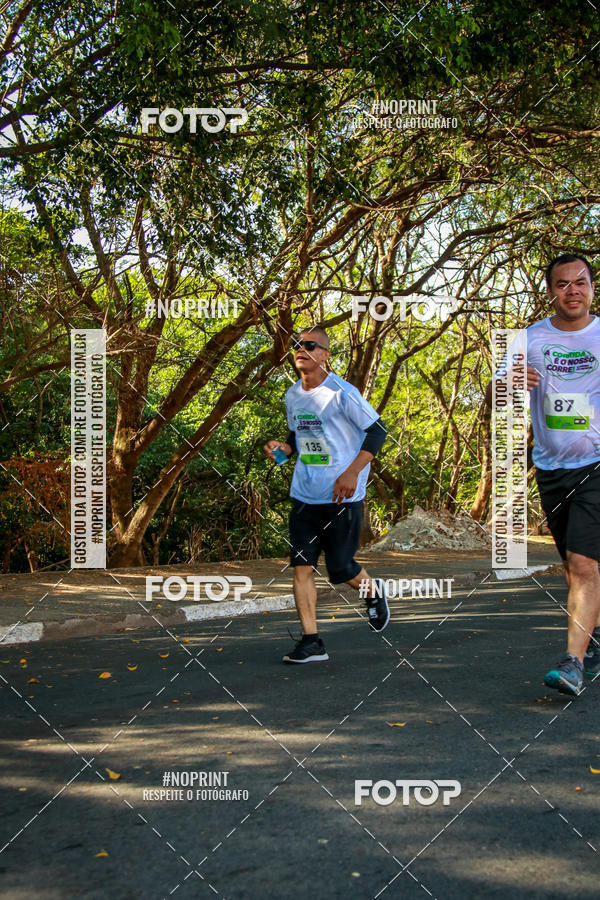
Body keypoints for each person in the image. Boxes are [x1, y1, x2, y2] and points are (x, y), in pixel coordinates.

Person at [487, 254, 600, 695]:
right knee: (573, 569)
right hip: (552, 467)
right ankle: (593, 639)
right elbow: (494, 396)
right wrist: (510, 383)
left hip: (596, 464)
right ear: (550, 290)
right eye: (562, 283)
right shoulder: (528, 338)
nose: (572, 290)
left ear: (591, 287)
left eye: (580, 282)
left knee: (584, 563)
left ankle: (572, 661)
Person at [264, 325, 389, 663]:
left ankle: (374, 593)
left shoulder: (341, 393)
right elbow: (297, 437)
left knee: (341, 569)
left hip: (341, 498)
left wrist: (351, 472)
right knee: (301, 567)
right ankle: (311, 641)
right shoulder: (292, 395)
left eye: (310, 345)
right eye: (296, 346)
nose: (301, 349)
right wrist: (282, 449)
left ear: (325, 355)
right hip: (304, 495)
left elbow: (377, 432)